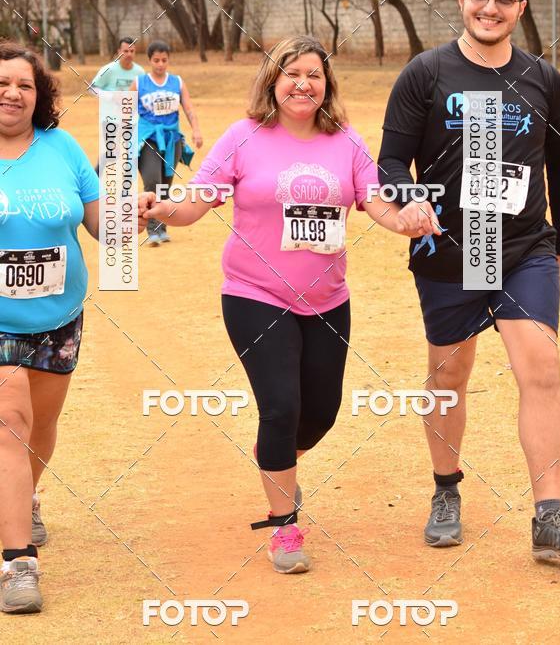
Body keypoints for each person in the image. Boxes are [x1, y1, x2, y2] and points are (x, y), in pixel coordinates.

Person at [138, 36, 401, 573]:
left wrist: (407, 220)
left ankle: (275, 462)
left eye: (314, 74)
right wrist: (164, 207)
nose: (303, 83)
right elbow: (199, 200)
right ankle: (284, 526)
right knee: (280, 406)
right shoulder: (244, 137)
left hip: (328, 299)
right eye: (291, 73)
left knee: (320, 413)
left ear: (328, 85)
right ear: (272, 81)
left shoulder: (345, 140)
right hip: (255, 295)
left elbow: (375, 199)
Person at [378, 0, 560, 560]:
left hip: (523, 248)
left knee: (542, 370)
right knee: (450, 376)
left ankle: (549, 517)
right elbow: (391, 162)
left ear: (520, 9)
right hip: (450, 249)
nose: (490, 8)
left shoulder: (543, 80)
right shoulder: (425, 74)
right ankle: (446, 491)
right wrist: (410, 201)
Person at [0, 40, 100, 613]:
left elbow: (99, 225)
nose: (14, 93)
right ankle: (18, 564)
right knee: (10, 422)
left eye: (25, 84)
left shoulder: (61, 148)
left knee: (40, 426)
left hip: (59, 315)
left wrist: (128, 216)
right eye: (3, 83)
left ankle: (26, 496)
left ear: (39, 95)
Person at [132, 40, 203, 246]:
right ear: (149, 61)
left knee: (165, 185)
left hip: (172, 140)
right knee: (152, 182)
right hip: (148, 139)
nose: (160, 64)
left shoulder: (177, 82)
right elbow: (123, 109)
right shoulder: (140, 82)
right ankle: (152, 229)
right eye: (156, 60)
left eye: (164, 60)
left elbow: (189, 108)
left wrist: (196, 130)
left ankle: (162, 226)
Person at [89, 37, 145, 174]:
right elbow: (91, 88)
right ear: (119, 51)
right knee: (111, 153)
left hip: (132, 120)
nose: (129, 54)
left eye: (132, 51)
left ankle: (130, 189)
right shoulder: (109, 69)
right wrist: (112, 96)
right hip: (110, 119)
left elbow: (143, 95)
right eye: (125, 51)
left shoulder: (140, 72)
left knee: (133, 154)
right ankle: (93, 182)